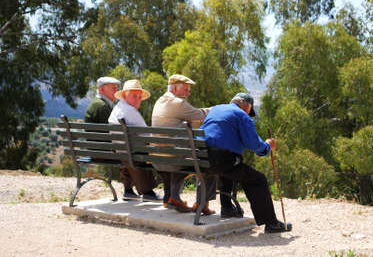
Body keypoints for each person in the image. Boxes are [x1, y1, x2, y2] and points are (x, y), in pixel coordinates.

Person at [201, 93, 292, 233]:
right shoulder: (242, 115)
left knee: (230, 168)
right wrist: (268, 146)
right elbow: (254, 144)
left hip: (201, 160)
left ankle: (227, 208)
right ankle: (271, 223)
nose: (249, 114)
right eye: (250, 110)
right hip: (220, 160)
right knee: (258, 180)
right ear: (247, 105)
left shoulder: (217, 109)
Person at [151, 74, 216, 214]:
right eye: (186, 90)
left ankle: (174, 198)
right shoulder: (177, 103)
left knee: (184, 155)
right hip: (172, 158)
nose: (189, 93)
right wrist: (217, 109)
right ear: (175, 88)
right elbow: (199, 115)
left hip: (158, 157)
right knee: (210, 161)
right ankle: (202, 204)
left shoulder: (160, 101)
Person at [84, 77, 138, 201]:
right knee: (129, 152)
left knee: (126, 150)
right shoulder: (102, 107)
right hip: (102, 152)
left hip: (97, 151)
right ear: (102, 89)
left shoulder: (99, 104)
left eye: (117, 87)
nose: (116, 90)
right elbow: (113, 134)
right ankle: (132, 190)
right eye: (113, 88)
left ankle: (130, 190)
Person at [108, 79, 163, 202]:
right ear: (124, 96)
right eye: (134, 96)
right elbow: (147, 135)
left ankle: (128, 190)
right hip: (133, 154)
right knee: (147, 151)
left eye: (139, 97)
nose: (138, 99)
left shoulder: (118, 108)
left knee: (129, 152)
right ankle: (148, 192)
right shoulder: (130, 111)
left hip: (120, 153)